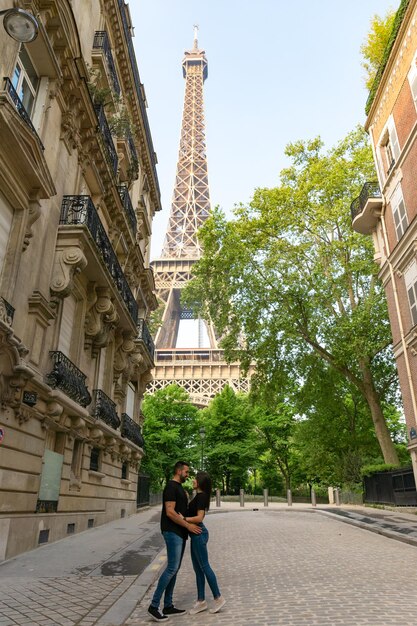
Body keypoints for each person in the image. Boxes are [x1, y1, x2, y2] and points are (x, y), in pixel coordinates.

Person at [148, 461, 202, 622]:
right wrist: (188, 526)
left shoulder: (179, 488)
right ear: (179, 471)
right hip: (172, 531)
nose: (188, 474)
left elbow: (181, 510)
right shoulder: (171, 487)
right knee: (171, 568)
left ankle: (168, 605)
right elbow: (170, 513)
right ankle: (153, 606)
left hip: (179, 532)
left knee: (175, 568)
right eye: (186, 471)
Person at [185, 471, 226, 615]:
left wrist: (183, 518)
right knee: (198, 570)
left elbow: (199, 518)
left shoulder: (202, 497)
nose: (193, 481)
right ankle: (201, 601)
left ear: (200, 482)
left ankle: (218, 598)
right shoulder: (199, 496)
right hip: (195, 534)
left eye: (195, 479)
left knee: (204, 566)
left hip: (198, 533)